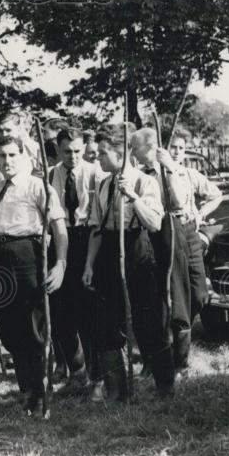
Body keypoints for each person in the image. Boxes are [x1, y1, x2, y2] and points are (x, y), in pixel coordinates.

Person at [0, 134, 68, 414]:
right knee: (9, 328)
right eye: (2, 156)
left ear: (23, 157)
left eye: (12, 155)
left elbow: (59, 229)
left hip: (29, 257)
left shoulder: (38, 187)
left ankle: (41, 393)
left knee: (34, 327)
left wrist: (60, 264)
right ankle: (27, 390)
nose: (7, 161)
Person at [82, 125, 165, 402]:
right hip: (107, 253)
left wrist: (133, 197)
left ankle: (164, 386)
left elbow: (154, 223)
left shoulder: (144, 182)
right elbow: (96, 228)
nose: (98, 158)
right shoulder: (102, 184)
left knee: (148, 321)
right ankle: (117, 390)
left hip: (136, 251)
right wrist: (89, 265)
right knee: (105, 322)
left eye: (103, 153)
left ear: (121, 154)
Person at [130, 128, 192, 388]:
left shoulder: (168, 170)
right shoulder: (137, 174)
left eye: (135, 147)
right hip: (144, 234)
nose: (132, 152)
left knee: (176, 295)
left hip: (169, 231)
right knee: (148, 299)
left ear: (149, 147)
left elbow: (179, 204)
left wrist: (170, 170)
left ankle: (180, 362)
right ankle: (151, 359)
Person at [46, 127, 100, 395]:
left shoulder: (95, 174)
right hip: (59, 240)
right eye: (67, 151)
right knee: (60, 312)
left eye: (78, 151)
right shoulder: (49, 175)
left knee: (89, 313)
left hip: (87, 239)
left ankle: (96, 376)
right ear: (58, 150)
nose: (73, 156)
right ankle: (77, 371)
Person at [168, 129, 224, 362]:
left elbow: (216, 195)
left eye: (181, 148)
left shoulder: (190, 174)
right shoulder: (158, 174)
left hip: (190, 232)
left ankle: (179, 330)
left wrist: (201, 213)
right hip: (168, 232)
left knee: (200, 293)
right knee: (176, 292)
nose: (177, 152)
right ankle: (177, 354)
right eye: (173, 147)